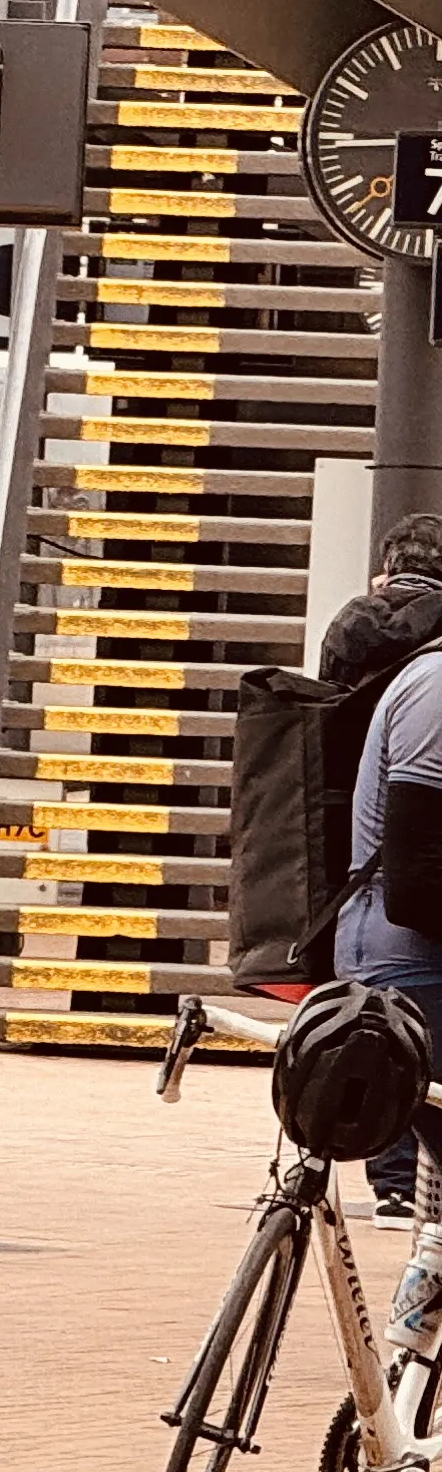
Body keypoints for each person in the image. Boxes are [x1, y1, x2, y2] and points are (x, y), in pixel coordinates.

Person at [316, 515, 442, 1216]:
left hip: (368, 905)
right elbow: (418, 878)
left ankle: (398, 1186)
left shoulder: (350, 627)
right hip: (404, 936)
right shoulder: (435, 682)